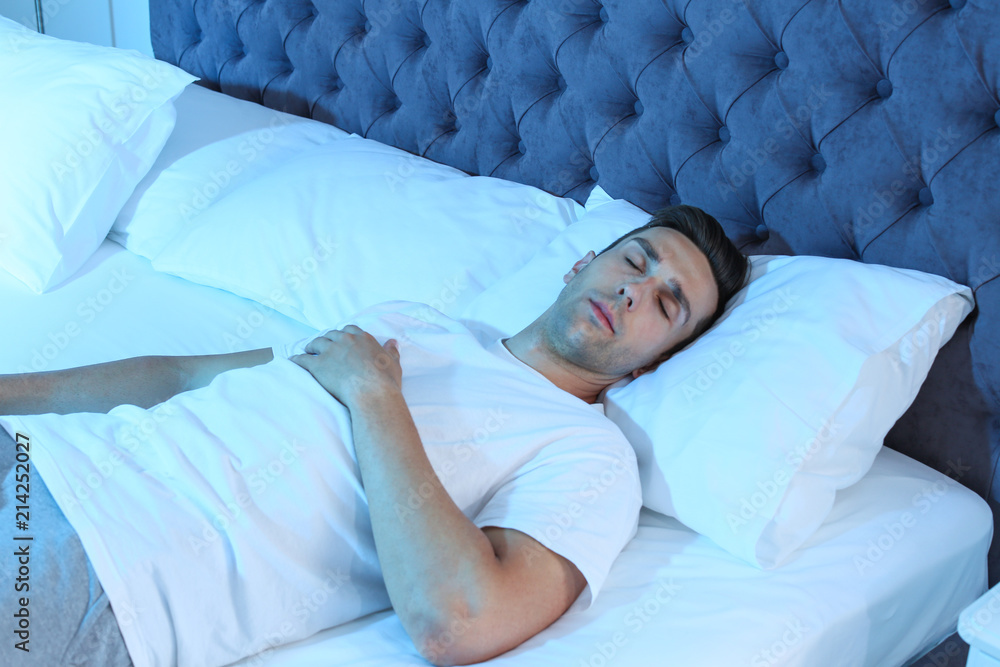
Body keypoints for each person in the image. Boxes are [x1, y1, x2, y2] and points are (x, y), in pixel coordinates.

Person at [0, 205, 748, 667]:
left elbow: (459, 621)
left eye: (667, 304)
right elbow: (190, 376)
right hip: (41, 457)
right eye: (634, 261)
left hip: (109, 570)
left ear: (659, 360)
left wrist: (375, 395)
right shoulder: (415, 322)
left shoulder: (592, 458)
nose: (633, 290)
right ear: (584, 263)